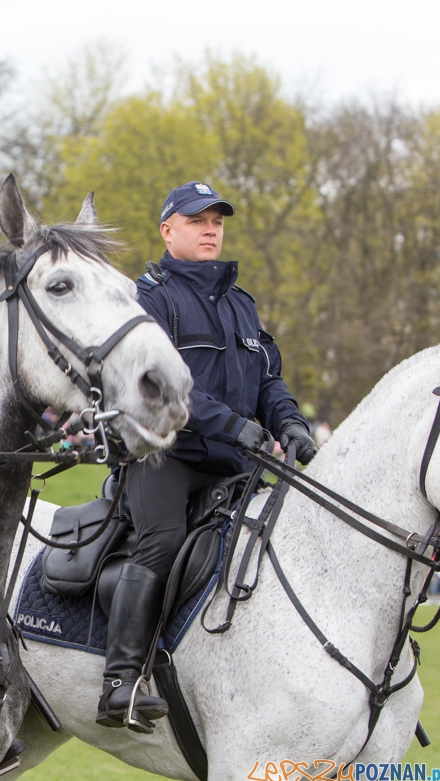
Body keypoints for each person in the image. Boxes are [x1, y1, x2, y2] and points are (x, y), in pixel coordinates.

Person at [99, 181, 318, 733]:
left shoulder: (242, 303)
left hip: (238, 455)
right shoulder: (150, 297)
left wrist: (289, 422)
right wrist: (237, 427)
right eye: (198, 220)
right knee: (161, 540)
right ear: (167, 230)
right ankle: (120, 682)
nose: (211, 228)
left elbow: (269, 378)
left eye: (217, 220)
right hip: (164, 454)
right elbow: (164, 385)